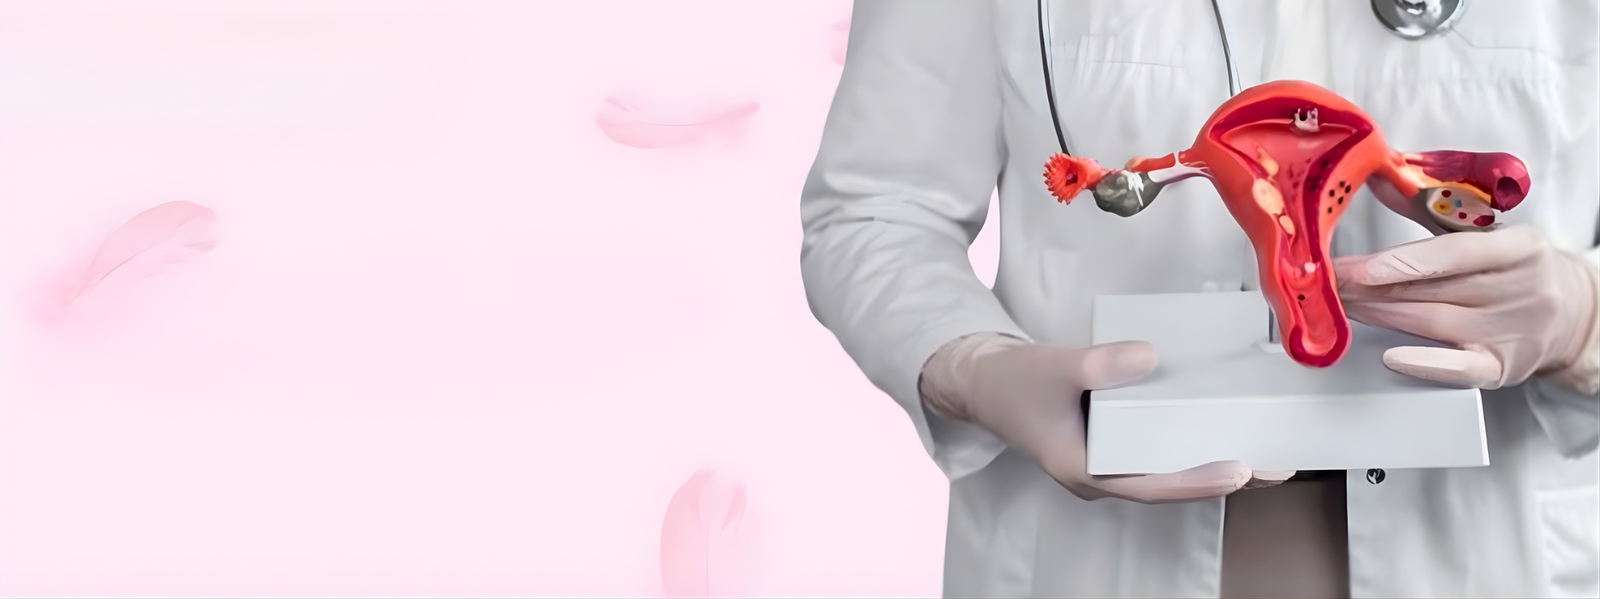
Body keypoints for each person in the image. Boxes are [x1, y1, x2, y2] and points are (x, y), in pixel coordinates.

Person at [799, 1, 1599, 596]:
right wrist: (971, 366)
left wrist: (1584, 313)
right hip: (1088, 553)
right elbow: (874, 209)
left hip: (1493, 549)